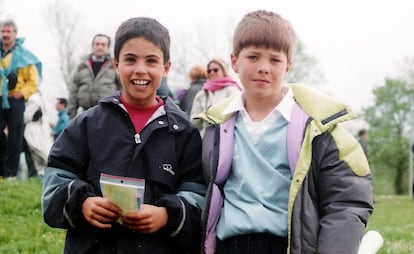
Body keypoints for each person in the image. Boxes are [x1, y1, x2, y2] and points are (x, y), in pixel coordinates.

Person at [200, 10, 373, 254]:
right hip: (229, 245)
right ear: (234, 60)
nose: (263, 67)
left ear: (288, 65)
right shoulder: (216, 126)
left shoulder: (319, 128)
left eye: (275, 60)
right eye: (253, 57)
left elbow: (346, 201)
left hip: (288, 246)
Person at [42, 17, 205, 254]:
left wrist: (166, 215)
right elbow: (54, 186)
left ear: (166, 68)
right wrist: (83, 204)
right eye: (130, 60)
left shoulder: (184, 133)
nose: (140, 69)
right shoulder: (86, 124)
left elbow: (200, 197)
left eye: (151, 61)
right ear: (116, 64)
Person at [0, 18, 41, 179]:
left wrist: (22, 93)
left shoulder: (24, 56)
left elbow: (33, 81)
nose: (5, 34)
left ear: (15, 34)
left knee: (15, 137)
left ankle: (11, 174)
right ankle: (1, 173)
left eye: (8, 31)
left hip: (15, 100)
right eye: (2, 31)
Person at [67, 33, 121, 118]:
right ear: (92, 46)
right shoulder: (82, 66)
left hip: (109, 113)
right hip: (85, 113)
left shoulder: (114, 65)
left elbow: (122, 89)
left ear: (108, 47)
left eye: (103, 45)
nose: (100, 47)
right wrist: (71, 115)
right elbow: (73, 91)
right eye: (97, 44)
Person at [190, 58, 241, 137]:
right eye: (209, 71)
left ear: (223, 71)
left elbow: (239, 116)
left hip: (227, 137)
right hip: (205, 138)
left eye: (215, 70)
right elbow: (193, 120)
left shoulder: (232, 90)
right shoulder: (202, 94)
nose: (212, 73)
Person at [23, 91, 53, 177]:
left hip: (34, 129)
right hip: (38, 130)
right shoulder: (39, 98)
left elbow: (26, 116)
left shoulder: (34, 99)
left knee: (40, 152)